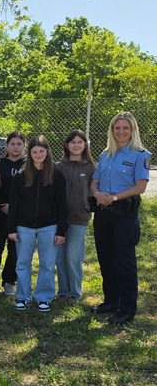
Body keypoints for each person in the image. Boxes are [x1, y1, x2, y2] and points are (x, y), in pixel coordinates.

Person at [90, 112, 150, 324]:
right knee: (106, 259)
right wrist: (97, 194)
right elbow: (94, 182)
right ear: (112, 130)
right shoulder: (106, 154)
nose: (121, 131)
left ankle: (127, 308)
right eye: (117, 128)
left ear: (133, 130)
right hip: (103, 212)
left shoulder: (140, 155)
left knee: (124, 262)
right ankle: (111, 301)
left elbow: (140, 186)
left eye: (125, 128)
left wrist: (114, 197)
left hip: (124, 213)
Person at [8, 135, 67, 312]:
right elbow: (14, 205)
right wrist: (11, 229)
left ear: (47, 152)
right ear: (30, 153)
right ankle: (23, 296)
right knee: (22, 263)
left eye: (41, 151)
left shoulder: (56, 175)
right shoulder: (20, 176)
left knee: (47, 264)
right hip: (24, 226)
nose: (38, 154)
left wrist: (61, 231)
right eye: (34, 152)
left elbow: (62, 205)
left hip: (49, 226)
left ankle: (44, 297)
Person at [55, 130, 95, 304]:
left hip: (79, 217)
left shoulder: (91, 167)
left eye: (80, 142)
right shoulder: (58, 166)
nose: (76, 145)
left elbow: (94, 190)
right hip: (59, 218)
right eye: (73, 142)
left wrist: (88, 206)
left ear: (85, 145)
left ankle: (75, 292)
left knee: (73, 255)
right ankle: (63, 291)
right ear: (67, 145)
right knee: (59, 256)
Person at [0, 132, 26, 297]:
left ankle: (9, 281)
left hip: (19, 215)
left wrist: (15, 207)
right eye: (12, 144)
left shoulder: (29, 164)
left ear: (24, 146)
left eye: (19, 144)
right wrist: (0, 205)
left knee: (15, 251)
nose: (15, 147)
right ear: (7, 146)